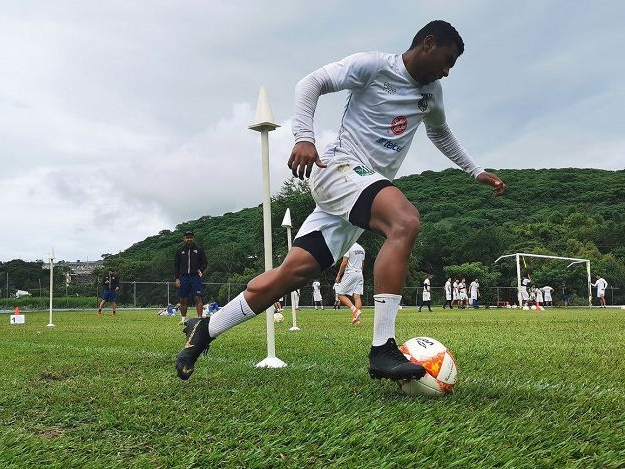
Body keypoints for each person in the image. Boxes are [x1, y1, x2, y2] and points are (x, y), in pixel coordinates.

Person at [175, 20, 505, 382]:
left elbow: (440, 132)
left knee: (291, 274)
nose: (446, 71)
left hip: (359, 192)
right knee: (405, 221)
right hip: (339, 168)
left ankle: (205, 328)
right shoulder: (375, 66)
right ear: (428, 44)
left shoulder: (432, 92)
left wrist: (475, 171)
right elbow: (310, 83)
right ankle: (382, 348)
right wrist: (304, 136)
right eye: (447, 60)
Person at [174, 231, 208, 324]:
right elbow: (176, 265)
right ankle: (183, 319)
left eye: (191, 237)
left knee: (198, 298)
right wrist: (177, 278)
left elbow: (205, 262)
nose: (189, 239)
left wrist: (200, 270)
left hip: (195, 276)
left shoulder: (199, 250)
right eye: (187, 237)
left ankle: (199, 319)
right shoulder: (180, 251)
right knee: (183, 299)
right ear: (184, 238)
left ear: (193, 238)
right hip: (184, 277)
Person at [335, 242, 366, 325]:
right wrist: (359, 273)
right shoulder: (361, 249)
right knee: (357, 296)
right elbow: (362, 264)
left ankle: (355, 310)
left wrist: (338, 275)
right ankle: (356, 320)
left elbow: (344, 263)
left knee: (340, 295)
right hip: (359, 273)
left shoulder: (348, 247)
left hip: (350, 272)